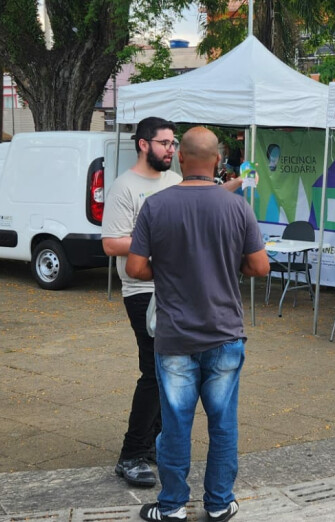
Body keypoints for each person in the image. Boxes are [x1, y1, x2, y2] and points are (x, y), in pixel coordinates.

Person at [127, 126, 269, 522]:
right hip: (225, 334)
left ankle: (172, 506)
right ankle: (220, 502)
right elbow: (259, 265)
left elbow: (135, 267)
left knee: (174, 424)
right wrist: (229, 264)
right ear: (218, 163)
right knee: (223, 423)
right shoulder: (238, 207)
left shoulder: (156, 206)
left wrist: (168, 268)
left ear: (183, 159)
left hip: (174, 337)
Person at [101, 117, 184, 488]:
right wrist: (156, 241)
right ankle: (131, 455)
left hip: (175, 287)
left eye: (174, 143)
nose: (171, 149)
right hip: (141, 291)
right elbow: (112, 243)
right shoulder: (124, 187)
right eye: (164, 143)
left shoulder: (176, 181)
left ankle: (151, 445)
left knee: (170, 370)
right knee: (154, 371)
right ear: (143, 144)